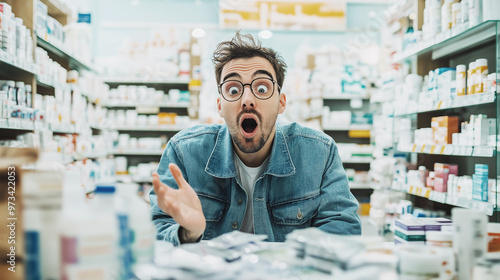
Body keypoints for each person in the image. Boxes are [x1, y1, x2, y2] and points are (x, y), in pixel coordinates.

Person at [150, 32, 361, 245]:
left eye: (262, 88)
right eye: (233, 89)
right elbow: (155, 231)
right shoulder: (184, 152)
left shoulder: (319, 153)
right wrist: (187, 233)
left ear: (281, 102)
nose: (247, 100)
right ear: (220, 106)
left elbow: (343, 228)